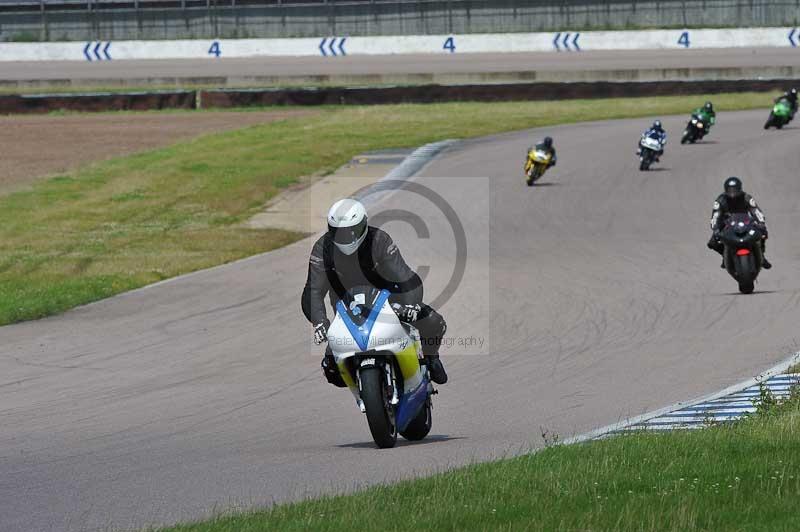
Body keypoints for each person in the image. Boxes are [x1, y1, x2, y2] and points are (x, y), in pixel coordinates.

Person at [302, 198, 449, 387]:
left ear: (363, 224)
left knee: (433, 323)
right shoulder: (322, 249)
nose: (347, 237)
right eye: (339, 232)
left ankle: (431, 358)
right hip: (348, 310)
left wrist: (410, 304)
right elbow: (313, 289)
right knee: (333, 371)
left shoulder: (379, 240)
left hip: (390, 302)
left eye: (352, 231)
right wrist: (319, 321)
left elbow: (404, 276)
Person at [707, 177, 771, 270]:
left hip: (746, 222)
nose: (732, 193)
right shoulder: (720, 201)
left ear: (740, 189)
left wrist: (761, 222)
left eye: (735, 190)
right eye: (730, 190)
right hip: (727, 224)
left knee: (763, 232)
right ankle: (725, 255)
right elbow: (715, 216)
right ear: (725, 190)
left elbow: (756, 210)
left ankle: (762, 255)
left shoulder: (747, 197)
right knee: (713, 242)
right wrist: (715, 228)